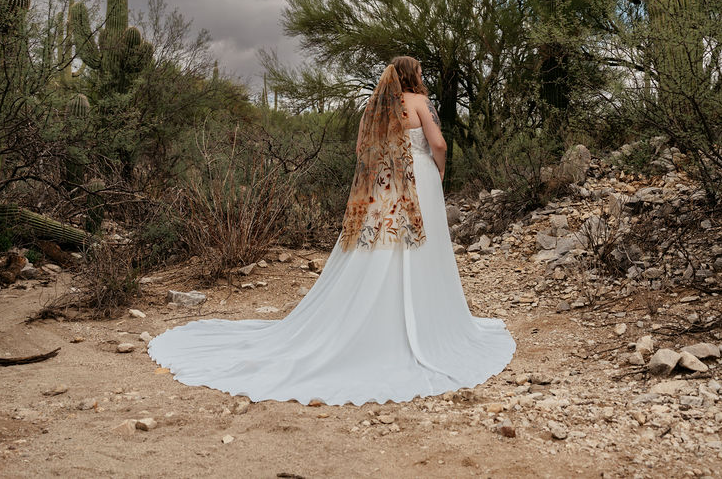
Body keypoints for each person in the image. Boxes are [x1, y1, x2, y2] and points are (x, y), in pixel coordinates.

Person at [148, 56, 515, 405]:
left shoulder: (374, 108)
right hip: (418, 177)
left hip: (383, 183)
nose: (422, 76)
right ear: (411, 75)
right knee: (423, 250)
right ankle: (426, 321)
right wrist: (440, 171)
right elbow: (438, 143)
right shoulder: (419, 101)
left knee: (376, 250)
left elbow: (361, 149)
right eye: (419, 71)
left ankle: (371, 319)